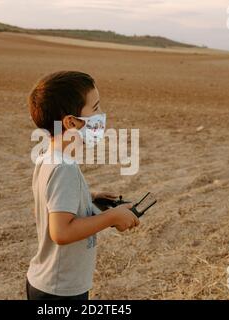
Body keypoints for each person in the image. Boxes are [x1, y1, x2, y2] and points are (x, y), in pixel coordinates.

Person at [26, 71, 140, 300]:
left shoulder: (49, 157)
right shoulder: (64, 168)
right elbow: (61, 232)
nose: (101, 115)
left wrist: (88, 197)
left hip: (47, 281)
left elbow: (50, 203)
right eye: (95, 108)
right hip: (60, 289)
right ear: (71, 122)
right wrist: (112, 217)